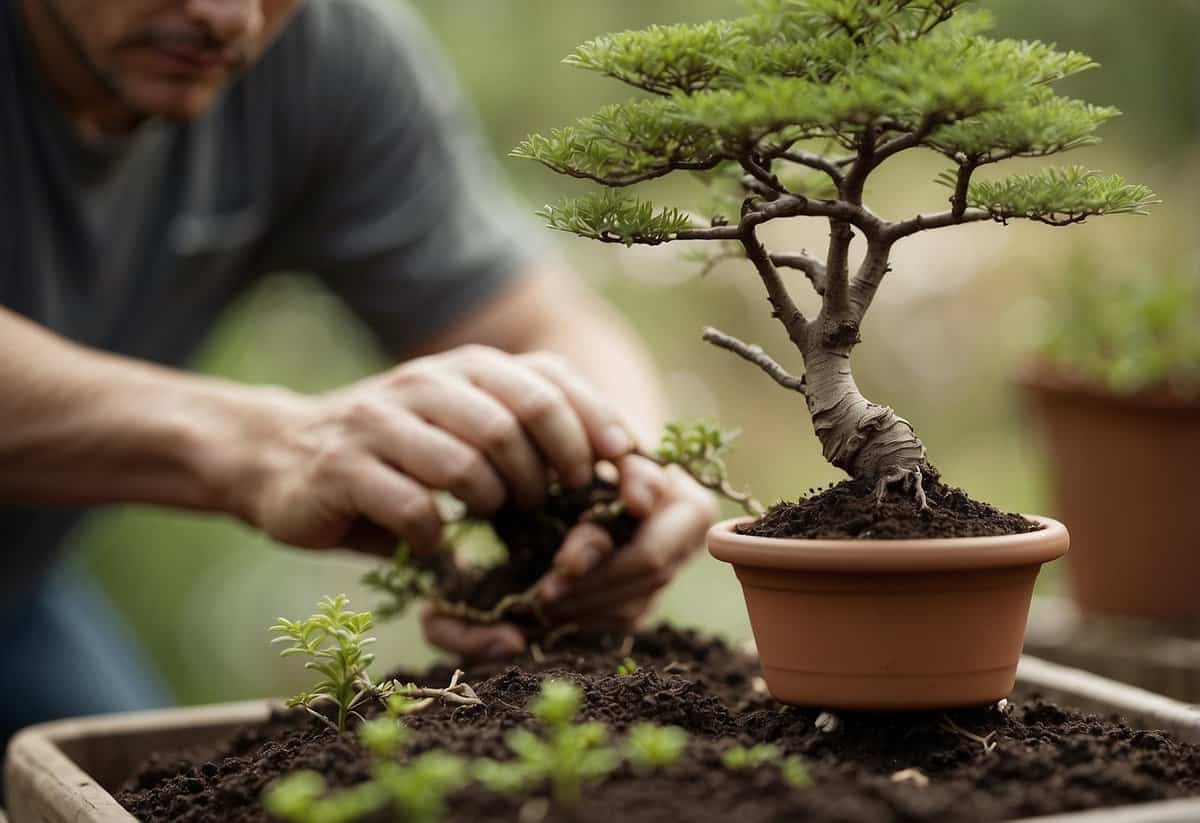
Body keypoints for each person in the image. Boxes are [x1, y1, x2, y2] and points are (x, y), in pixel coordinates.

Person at [0, 0, 717, 747]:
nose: (229, 17)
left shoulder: (325, 49)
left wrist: (615, 478)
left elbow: (540, 325)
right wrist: (261, 442)